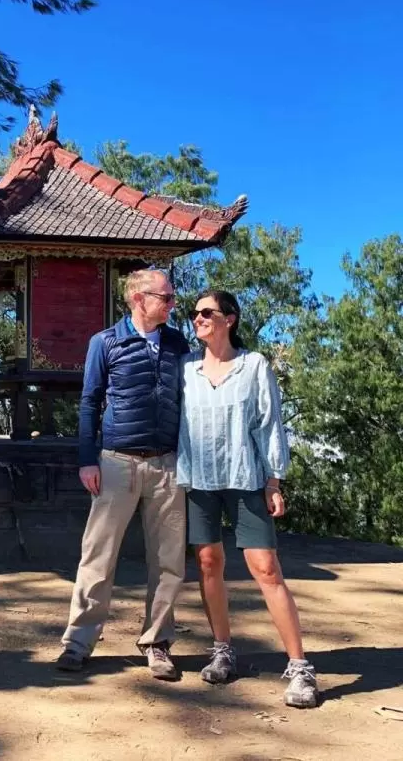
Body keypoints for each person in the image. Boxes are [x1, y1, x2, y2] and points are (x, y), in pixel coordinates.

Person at [178, 289, 318, 708]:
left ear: (230, 319)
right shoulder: (185, 368)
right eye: (194, 313)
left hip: (246, 479)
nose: (197, 318)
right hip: (199, 482)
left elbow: (269, 422)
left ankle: (299, 667)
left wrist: (274, 481)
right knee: (207, 563)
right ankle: (223, 650)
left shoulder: (254, 365)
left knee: (266, 569)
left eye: (206, 312)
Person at [56, 268, 189, 680]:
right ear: (138, 298)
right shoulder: (105, 342)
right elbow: (89, 402)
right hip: (115, 462)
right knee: (98, 556)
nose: (171, 304)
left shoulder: (177, 342)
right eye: (164, 297)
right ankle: (78, 642)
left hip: (167, 464)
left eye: (171, 297)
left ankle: (157, 642)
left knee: (169, 561)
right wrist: (86, 458)